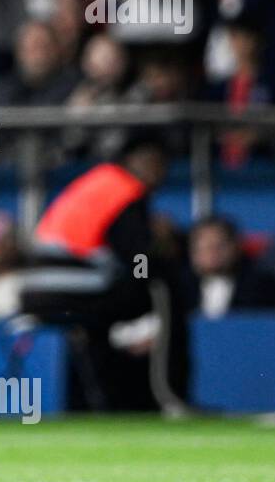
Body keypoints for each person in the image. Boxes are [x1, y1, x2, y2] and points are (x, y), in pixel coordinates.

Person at [19, 134, 175, 411]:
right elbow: (137, 257)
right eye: (153, 163)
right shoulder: (126, 191)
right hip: (75, 288)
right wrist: (158, 270)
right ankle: (166, 394)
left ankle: (102, 397)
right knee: (165, 296)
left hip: (36, 289)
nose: (158, 172)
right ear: (132, 161)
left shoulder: (96, 181)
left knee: (105, 324)